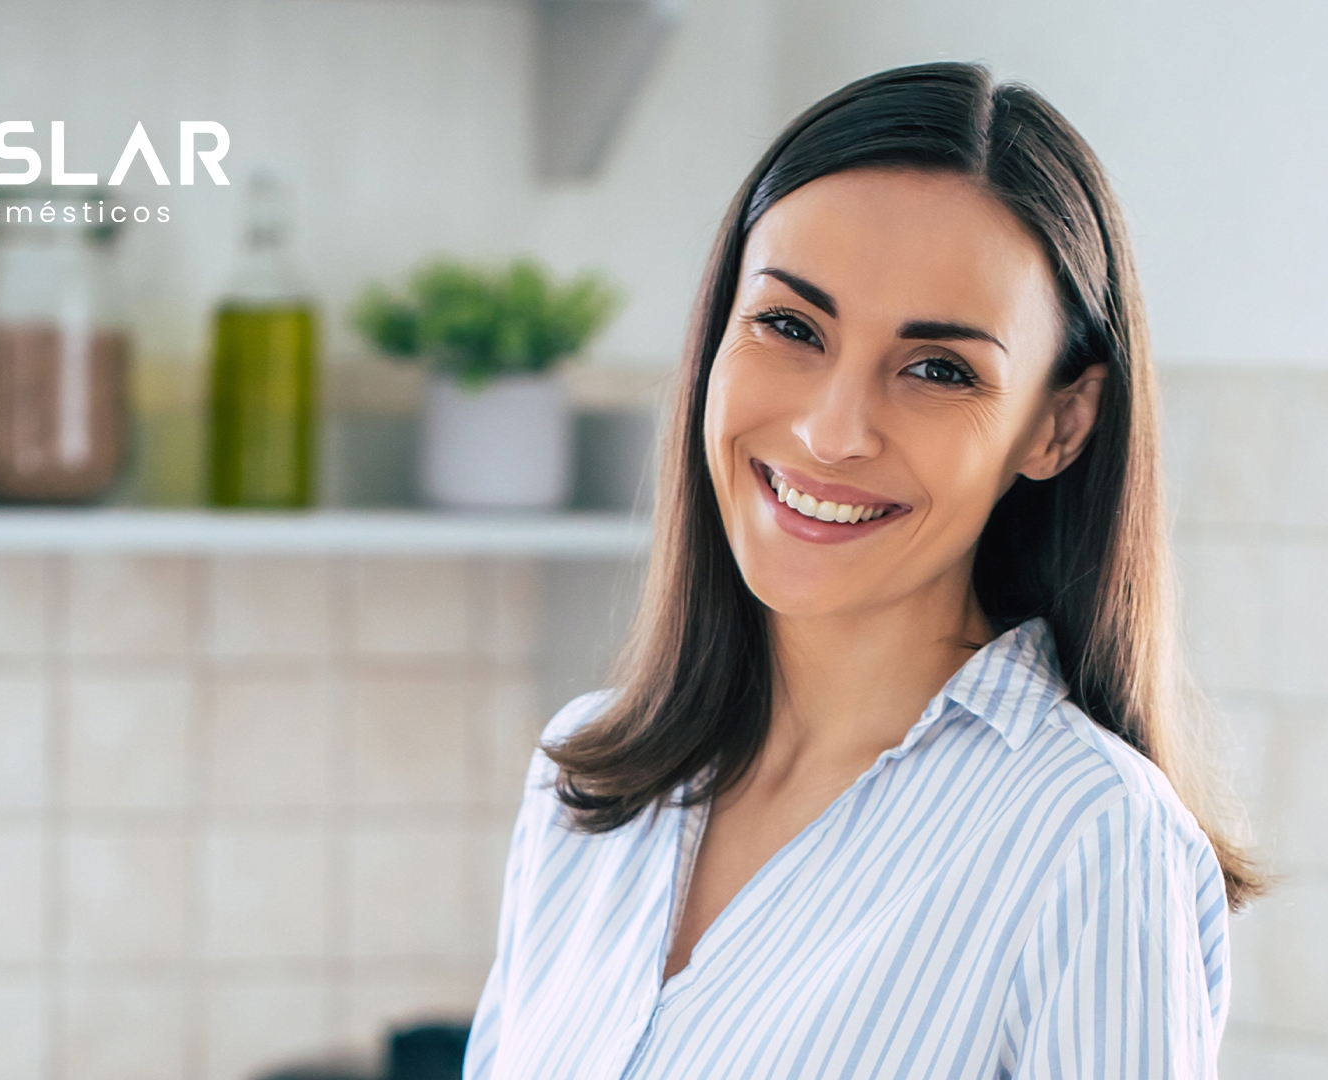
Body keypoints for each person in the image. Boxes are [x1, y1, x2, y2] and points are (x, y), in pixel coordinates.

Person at [464, 62, 1261, 1079]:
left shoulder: (1094, 840)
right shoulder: (584, 782)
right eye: (790, 326)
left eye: (938, 370)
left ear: (1059, 425)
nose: (831, 432)